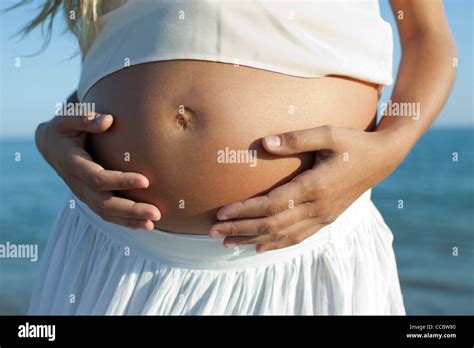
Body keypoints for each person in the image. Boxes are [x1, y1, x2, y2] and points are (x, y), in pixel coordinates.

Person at [26, 0, 455, 314]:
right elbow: (120, 54)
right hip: (109, 256)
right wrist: (54, 130)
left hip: (300, 262)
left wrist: (391, 146)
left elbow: (426, 34)